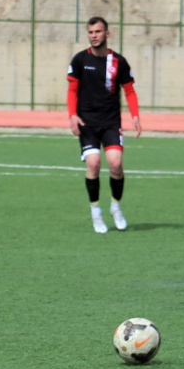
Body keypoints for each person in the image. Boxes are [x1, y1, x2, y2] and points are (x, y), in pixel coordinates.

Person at [67, 16, 141, 233]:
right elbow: (72, 90)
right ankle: (95, 212)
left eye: (98, 32)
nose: (94, 36)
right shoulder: (80, 60)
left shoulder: (119, 61)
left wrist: (135, 115)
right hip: (87, 122)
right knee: (93, 164)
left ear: (107, 34)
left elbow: (129, 90)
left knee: (116, 164)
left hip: (110, 121)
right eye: (90, 32)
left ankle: (115, 207)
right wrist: (72, 115)